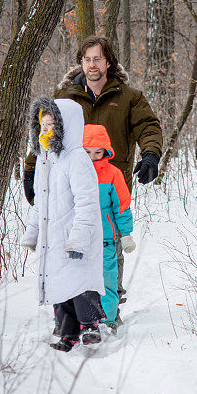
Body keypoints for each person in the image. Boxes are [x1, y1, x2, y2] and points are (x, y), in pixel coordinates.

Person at [23, 36, 163, 321]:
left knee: (108, 245)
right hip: (68, 187)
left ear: (108, 61)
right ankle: (77, 311)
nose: (92, 65)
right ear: (80, 62)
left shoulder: (129, 97)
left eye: (97, 58)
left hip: (109, 184)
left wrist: (150, 154)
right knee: (75, 245)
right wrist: (31, 168)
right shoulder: (64, 97)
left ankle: (110, 307)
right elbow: (45, 133)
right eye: (87, 59)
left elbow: (148, 126)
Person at [21, 96, 105, 352]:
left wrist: (79, 237)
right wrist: (33, 232)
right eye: (42, 126)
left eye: (51, 125)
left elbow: (88, 203)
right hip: (53, 236)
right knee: (59, 285)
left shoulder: (77, 159)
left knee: (80, 282)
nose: (45, 131)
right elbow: (40, 202)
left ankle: (90, 325)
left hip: (75, 234)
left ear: (65, 126)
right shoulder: (45, 161)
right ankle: (66, 334)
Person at [83, 124, 136, 333]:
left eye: (98, 152)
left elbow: (121, 206)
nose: (93, 156)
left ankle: (109, 318)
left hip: (106, 238)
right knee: (83, 281)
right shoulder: (75, 172)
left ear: (106, 151)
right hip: (81, 237)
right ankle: (86, 320)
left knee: (107, 278)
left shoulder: (113, 173)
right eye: (87, 152)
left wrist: (126, 234)